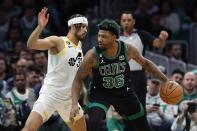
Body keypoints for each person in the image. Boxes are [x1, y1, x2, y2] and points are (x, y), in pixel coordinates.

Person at [70, 19, 172, 131]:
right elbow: (78, 79)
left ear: (114, 38)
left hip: (123, 91)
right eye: (99, 36)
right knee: (94, 120)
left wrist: (165, 80)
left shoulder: (127, 49)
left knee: (141, 124)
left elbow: (146, 63)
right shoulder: (92, 55)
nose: (99, 39)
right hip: (101, 92)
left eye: (104, 37)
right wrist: (74, 103)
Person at [22, 7, 88, 131]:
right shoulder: (58, 41)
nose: (85, 30)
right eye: (83, 26)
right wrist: (40, 27)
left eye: (86, 27)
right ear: (73, 26)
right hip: (50, 95)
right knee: (29, 128)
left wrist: (75, 101)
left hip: (69, 99)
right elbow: (31, 44)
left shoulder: (79, 46)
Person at [119, 11, 169, 109]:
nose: (126, 23)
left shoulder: (141, 34)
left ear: (134, 21)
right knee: (124, 108)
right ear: (120, 22)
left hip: (138, 76)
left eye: (129, 20)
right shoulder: (115, 37)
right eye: (124, 20)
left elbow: (158, 44)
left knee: (139, 107)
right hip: (120, 75)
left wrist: (162, 39)